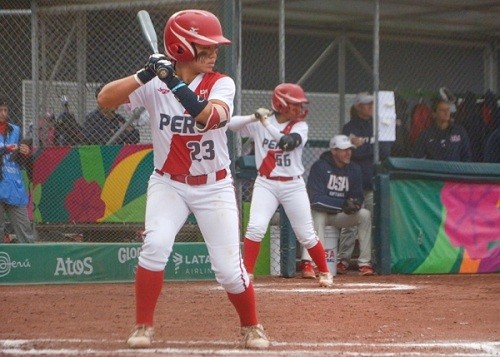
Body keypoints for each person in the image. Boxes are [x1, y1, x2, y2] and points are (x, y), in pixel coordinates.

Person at [97, 9, 269, 350]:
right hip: (168, 184)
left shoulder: (221, 82)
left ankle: (252, 326)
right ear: (179, 47)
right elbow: (105, 101)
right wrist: (144, 74)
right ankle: (143, 326)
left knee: (229, 271)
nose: (213, 52)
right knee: (156, 244)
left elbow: (210, 118)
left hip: (214, 186)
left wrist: (172, 81)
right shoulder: (152, 84)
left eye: (214, 45)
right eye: (204, 46)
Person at [228, 83, 334, 287]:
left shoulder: (300, 126)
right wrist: (254, 118)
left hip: (293, 186)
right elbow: (230, 124)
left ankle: (324, 272)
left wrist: (267, 124)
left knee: (306, 234)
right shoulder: (260, 124)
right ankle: (247, 273)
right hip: (266, 183)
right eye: (295, 105)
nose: (300, 109)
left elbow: (287, 143)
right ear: (281, 104)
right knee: (255, 228)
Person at [300, 135, 374, 275]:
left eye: (350, 150)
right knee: (317, 215)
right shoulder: (320, 167)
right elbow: (315, 200)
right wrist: (342, 204)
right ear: (334, 151)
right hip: (323, 214)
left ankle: (364, 263)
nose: (348, 153)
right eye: (343, 150)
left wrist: (355, 204)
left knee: (365, 214)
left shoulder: (354, 169)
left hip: (340, 215)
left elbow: (357, 196)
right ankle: (315, 263)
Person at [339, 92, 391, 275]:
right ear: (358, 106)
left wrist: (364, 146)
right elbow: (351, 153)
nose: (370, 107)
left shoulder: (378, 126)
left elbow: (384, 151)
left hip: (372, 183)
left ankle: (370, 261)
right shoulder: (349, 127)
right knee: (349, 222)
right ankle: (342, 260)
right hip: (354, 184)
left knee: (373, 223)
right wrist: (369, 148)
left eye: (371, 104)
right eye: (366, 104)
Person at [0, 97, 35, 243]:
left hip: (14, 186)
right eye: (0, 110)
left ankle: (31, 261)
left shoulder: (15, 130)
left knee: (25, 229)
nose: (3, 113)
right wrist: (5, 149)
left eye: (5, 110)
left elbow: (22, 161)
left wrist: (26, 152)